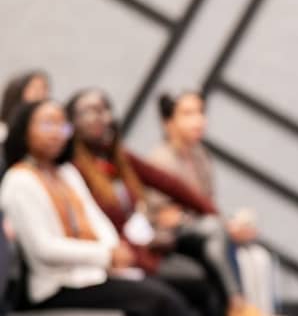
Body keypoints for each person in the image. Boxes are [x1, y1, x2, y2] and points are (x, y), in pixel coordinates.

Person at [0, 98, 196, 316]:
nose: (56, 133)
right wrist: (105, 254)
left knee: (169, 293)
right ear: (24, 130)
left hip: (93, 273)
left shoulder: (66, 172)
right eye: (47, 124)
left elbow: (96, 218)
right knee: (160, 300)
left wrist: (114, 250)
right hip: (57, 286)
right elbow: (44, 248)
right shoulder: (19, 180)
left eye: (62, 126)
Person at [66, 87, 241, 316]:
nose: (102, 117)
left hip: (145, 243)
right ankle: (238, 305)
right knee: (191, 285)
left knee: (209, 251)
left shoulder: (118, 158)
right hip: (122, 253)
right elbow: (99, 226)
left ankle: (238, 304)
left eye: (105, 109)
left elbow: (170, 184)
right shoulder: (74, 169)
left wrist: (214, 213)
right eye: (91, 111)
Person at [146, 91, 275, 316]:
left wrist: (229, 226)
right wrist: (218, 225)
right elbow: (165, 216)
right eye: (188, 113)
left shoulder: (201, 155)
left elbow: (208, 204)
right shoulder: (160, 159)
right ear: (168, 122)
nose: (199, 120)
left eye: (201, 112)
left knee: (244, 247)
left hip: (203, 233)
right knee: (215, 230)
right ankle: (237, 303)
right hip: (170, 237)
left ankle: (241, 305)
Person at [0, 70, 50, 139]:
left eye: (44, 88)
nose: (41, 94)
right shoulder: (3, 130)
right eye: (35, 88)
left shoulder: (48, 129)